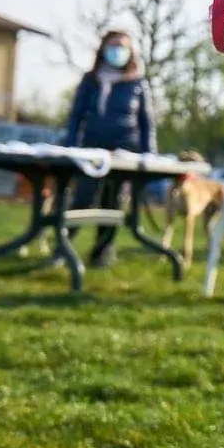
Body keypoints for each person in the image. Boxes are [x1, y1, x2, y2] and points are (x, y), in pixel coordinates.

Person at [60, 31, 156, 269]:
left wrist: (149, 155)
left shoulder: (137, 83)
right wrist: (71, 146)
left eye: (122, 47)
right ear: (103, 49)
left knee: (112, 202)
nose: (117, 51)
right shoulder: (90, 80)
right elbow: (76, 116)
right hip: (92, 148)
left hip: (124, 151)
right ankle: (62, 249)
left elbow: (147, 122)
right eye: (112, 46)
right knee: (83, 197)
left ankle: (102, 253)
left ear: (130, 52)